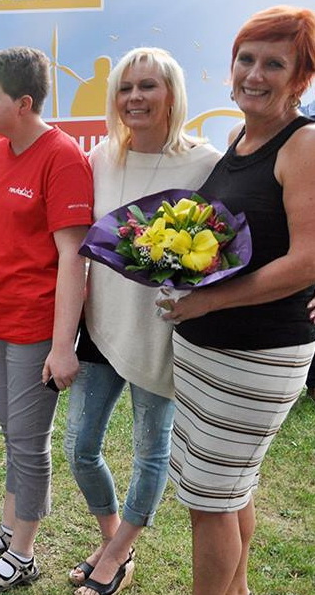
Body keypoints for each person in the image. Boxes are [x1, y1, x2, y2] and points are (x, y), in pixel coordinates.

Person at [160, 5, 315, 595]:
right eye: (246, 59)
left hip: (257, 354)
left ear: (300, 78)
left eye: (274, 64)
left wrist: (209, 303)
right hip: (205, 348)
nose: (254, 73)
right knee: (229, 489)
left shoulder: (304, 145)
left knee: (210, 501)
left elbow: (306, 260)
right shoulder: (239, 137)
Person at [64, 48, 221, 595]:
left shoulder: (206, 163)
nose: (135, 97)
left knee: (150, 450)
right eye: (126, 88)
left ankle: (116, 554)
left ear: (172, 94)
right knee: (79, 446)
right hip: (101, 324)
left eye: (148, 86)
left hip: (165, 332)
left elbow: (223, 247)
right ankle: (115, 539)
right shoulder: (101, 158)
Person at [0, 46, 93, 591]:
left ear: (24, 103)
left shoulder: (62, 157)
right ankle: (9, 528)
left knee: (29, 441)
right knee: (13, 433)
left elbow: (74, 258)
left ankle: (23, 553)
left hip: (35, 325)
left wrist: (63, 345)